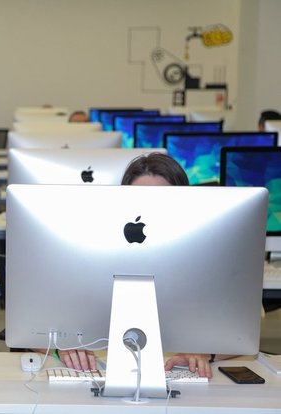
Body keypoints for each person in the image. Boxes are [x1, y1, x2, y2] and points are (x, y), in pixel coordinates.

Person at [58, 153, 231, 378]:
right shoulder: (91, 252)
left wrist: (206, 352)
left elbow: (241, 335)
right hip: (102, 371)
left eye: (161, 202)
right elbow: (34, 327)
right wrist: (61, 347)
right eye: (141, 200)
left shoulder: (209, 255)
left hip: (177, 375)